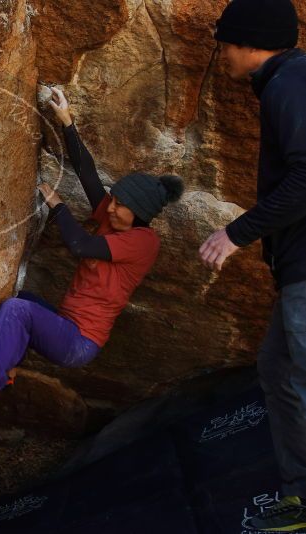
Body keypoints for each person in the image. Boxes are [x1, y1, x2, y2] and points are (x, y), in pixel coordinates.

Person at [0, 87, 184, 428]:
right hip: (66, 325)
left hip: (79, 342)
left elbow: (81, 246)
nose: (109, 207)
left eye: (119, 206)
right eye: (112, 201)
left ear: (140, 213)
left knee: (17, 311)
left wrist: (58, 205)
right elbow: (88, 174)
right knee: (17, 298)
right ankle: (5, 369)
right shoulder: (114, 219)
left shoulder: (143, 242)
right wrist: (66, 120)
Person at [199, 0, 306, 531]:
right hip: (296, 268)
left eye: (224, 43)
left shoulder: (290, 85)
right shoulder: (288, 84)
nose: (221, 55)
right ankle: (299, 499)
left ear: (247, 43)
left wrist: (235, 233)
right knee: (277, 370)